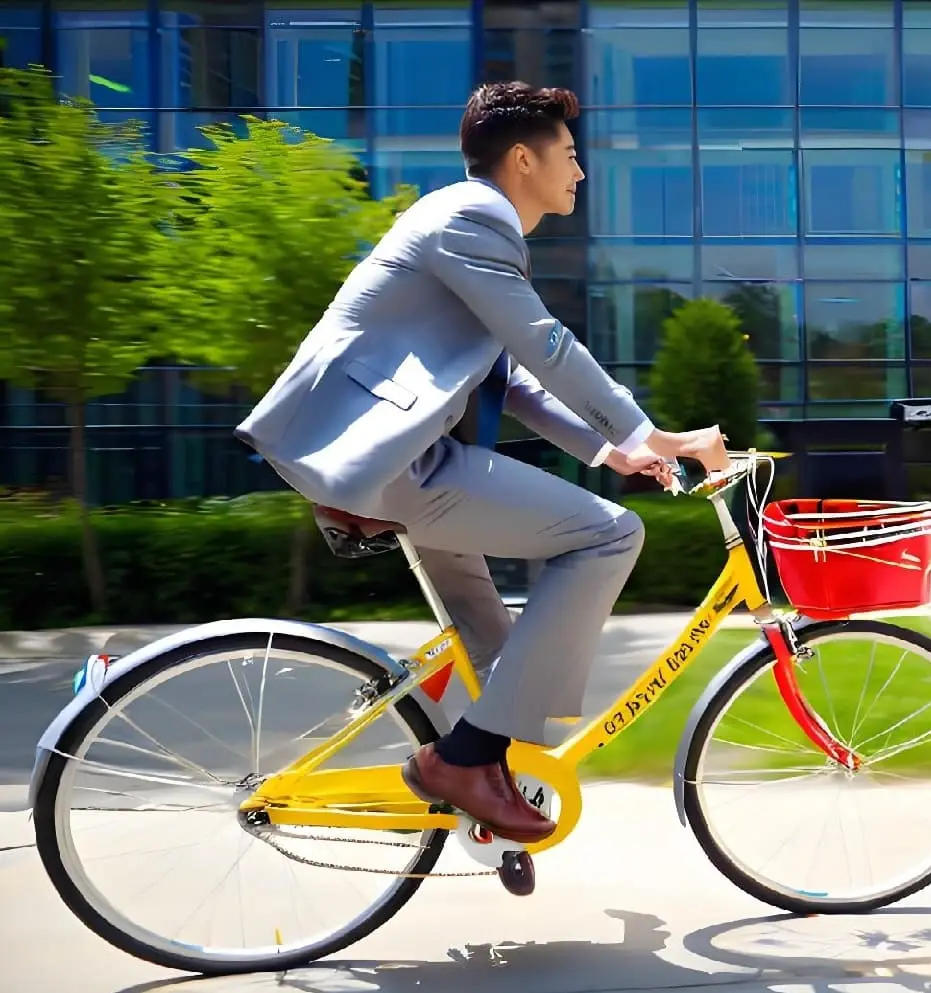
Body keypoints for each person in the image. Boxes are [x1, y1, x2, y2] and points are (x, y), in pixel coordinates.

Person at [233, 81, 731, 844]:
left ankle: (482, 782)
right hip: (398, 464)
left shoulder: (463, 224)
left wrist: (615, 449)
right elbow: (546, 346)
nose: (581, 172)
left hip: (397, 456)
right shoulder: (472, 220)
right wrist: (654, 432)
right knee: (608, 537)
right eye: (569, 154)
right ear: (523, 159)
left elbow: (513, 377)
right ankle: (460, 763)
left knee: (500, 659)